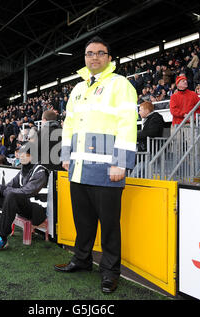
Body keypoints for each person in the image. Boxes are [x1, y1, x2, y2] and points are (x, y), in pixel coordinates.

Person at [55, 36, 138, 294]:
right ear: (85, 58)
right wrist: (66, 155)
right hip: (78, 169)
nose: (94, 57)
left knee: (109, 226)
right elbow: (69, 125)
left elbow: (127, 125)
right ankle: (81, 260)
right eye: (89, 53)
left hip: (107, 170)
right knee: (84, 222)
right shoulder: (78, 89)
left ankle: (110, 271)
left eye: (100, 53)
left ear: (109, 58)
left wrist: (121, 163)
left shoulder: (120, 84)